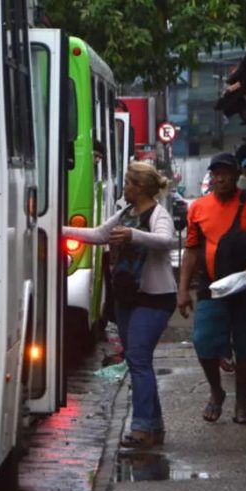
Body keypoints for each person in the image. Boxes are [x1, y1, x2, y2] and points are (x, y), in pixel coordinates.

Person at [64, 162, 177, 448]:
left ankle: (141, 428)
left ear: (140, 188)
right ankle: (154, 426)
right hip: (127, 298)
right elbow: (98, 235)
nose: (123, 187)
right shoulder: (126, 213)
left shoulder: (158, 214)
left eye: (127, 183)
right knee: (138, 361)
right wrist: (57, 229)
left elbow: (166, 240)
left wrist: (133, 235)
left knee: (138, 360)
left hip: (154, 298)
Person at [178, 153, 246, 424]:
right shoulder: (198, 208)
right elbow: (191, 250)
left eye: (225, 173)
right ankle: (216, 391)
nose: (220, 178)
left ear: (237, 176)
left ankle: (242, 405)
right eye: (216, 174)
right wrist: (182, 289)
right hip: (212, 287)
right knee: (204, 342)